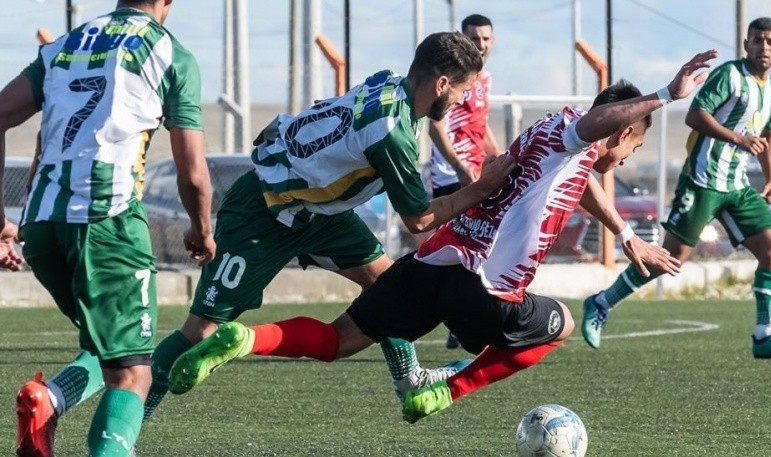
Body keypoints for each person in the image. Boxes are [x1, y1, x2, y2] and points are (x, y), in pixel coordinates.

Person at [167, 51, 719, 424]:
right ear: (622, 130)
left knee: (340, 340)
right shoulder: (581, 133)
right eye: (633, 148)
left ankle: (244, 341)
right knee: (560, 326)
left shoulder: (551, 135)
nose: (627, 158)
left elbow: (581, 180)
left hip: (431, 267)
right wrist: (666, 94)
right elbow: (594, 141)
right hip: (483, 292)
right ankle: (442, 392)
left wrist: (625, 233)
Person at [141, 30, 517, 422]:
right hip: (265, 208)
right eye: (462, 91)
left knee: (388, 286)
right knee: (200, 329)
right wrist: (483, 189)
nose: (461, 101)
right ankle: (127, 430)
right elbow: (419, 218)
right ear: (441, 84)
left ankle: (411, 380)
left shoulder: (387, 83)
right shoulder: (392, 133)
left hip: (320, 214)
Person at [0, 1, 216, 455]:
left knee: (113, 347)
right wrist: (201, 228)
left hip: (41, 226)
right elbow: (192, 171)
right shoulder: (169, 53)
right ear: (167, 3)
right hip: (109, 221)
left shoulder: (65, 44)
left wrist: (1, 219)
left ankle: (48, 400)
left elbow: (4, 114)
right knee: (134, 373)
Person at [581, 17, 771, 359]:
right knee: (670, 259)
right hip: (703, 180)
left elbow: (767, 136)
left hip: (738, 185)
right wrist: (737, 138)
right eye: (757, 40)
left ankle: (765, 334)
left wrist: (770, 177)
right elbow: (695, 115)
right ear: (746, 44)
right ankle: (600, 302)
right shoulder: (729, 75)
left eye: (770, 41)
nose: (763, 47)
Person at [427, 14, 502, 350]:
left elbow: (479, 125)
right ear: (462, 37)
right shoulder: (455, 77)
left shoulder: (484, 78)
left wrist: (501, 160)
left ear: (493, 41)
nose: (480, 44)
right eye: (473, 37)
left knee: (481, 249)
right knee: (460, 252)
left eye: (485, 38)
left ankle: (464, 321)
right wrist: (458, 167)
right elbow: (436, 124)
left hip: (475, 173)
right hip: (452, 176)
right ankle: (460, 321)